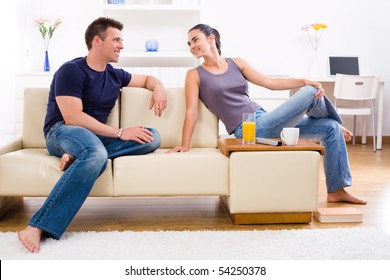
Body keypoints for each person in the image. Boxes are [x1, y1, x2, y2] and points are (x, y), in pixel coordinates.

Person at [168, 23, 367, 206]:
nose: (192, 46)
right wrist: (185, 145)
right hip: (249, 129)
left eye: (195, 40)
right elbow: (191, 111)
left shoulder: (237, 63)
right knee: (309, 93)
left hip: (265, 118)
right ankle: (335, 120)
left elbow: (271, 83)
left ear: (211, 38)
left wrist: (303, 80)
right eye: (189, 43)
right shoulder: (194, 74)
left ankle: (336, 190)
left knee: (330, 128)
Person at [18, 17, 167, 253]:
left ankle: (79, 158)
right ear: (97, 41)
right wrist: (120, 132)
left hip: (95, 138)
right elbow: (73, 117)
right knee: (96, 152)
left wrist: (158, 87)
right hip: (62, 132)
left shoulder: (115, 75)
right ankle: (37, 226)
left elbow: (148, 79)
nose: (121, 45)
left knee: (152, 137)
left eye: (121, 40)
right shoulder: (71, 70)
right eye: (116, 39)